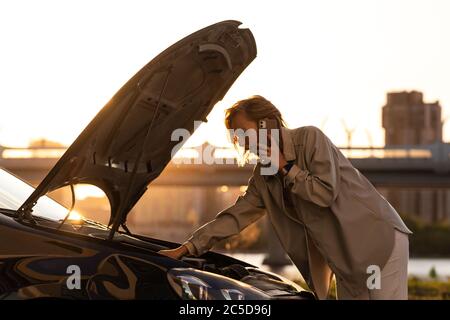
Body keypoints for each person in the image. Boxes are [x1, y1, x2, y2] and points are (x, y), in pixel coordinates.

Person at [158, 95, 412, 300]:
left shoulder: (310, 139)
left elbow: (324, 193)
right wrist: (186, 248)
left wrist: (286, 167)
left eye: (244, 132)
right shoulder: (263, 176)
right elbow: (237, 215)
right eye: (237, 136)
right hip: (345, 258)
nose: (243, 143)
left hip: (378, 241)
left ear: (268, 123)